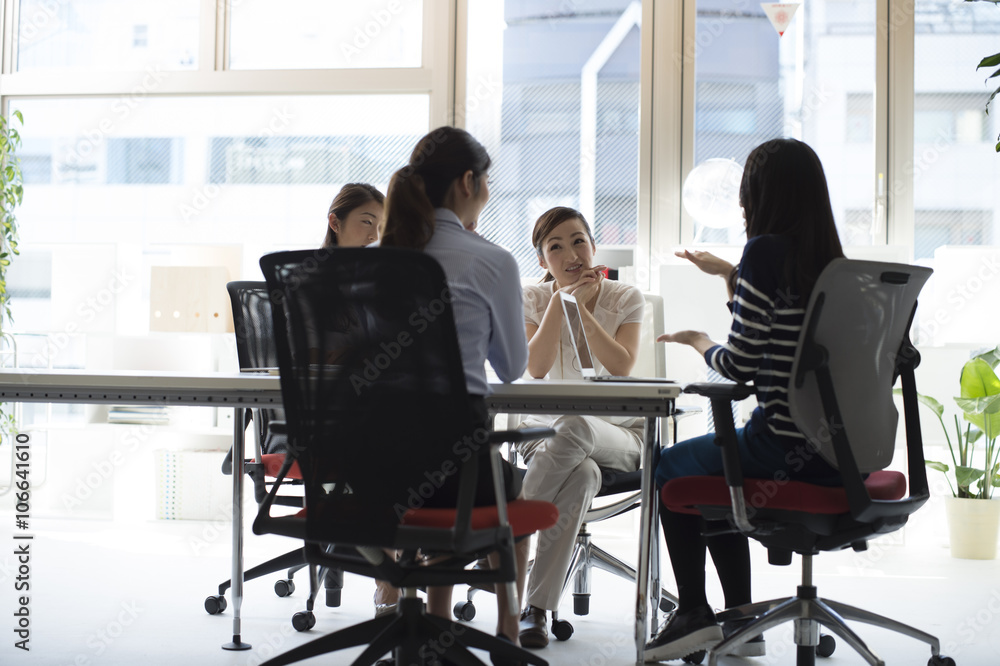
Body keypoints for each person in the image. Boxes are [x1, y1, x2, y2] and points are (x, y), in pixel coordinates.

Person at [644, 138, 845, 663]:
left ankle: (693, 611)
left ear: (762, 196)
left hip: (781, 443)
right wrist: (730, 277)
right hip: (842, 453)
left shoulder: (766, 251)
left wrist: (698, 342)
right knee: (712, 469)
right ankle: (743, 621)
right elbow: (778, 336)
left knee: (669, 465)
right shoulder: (834, 265)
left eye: (745, 192)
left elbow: (740, 366)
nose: (739, 204)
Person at [380, 125, 532, 654]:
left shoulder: (373, 262)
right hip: (452, 476)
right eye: (487, 182)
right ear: (468, 182)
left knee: (453, 474)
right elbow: (512, 367)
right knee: (495, 482)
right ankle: (507, 622)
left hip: (369, 477)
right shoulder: (490, 260)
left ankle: (433, 622)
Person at [515, 206, 645, 648]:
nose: (571, 254)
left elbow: (621, 366)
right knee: (582, 475)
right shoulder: (532, 297)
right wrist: (558, 301)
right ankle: (537, 610)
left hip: (619, 435)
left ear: (593, 246)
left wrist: (580, 309)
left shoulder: (625, 297)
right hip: (547, 438)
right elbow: (536, 366)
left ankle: (503, 533)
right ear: (541, 259)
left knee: (576, 425)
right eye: (556, 246)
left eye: (578, 241)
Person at [322, 182, 384, 248]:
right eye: (367, 222)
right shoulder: (313, 258)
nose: (376, 237)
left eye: (383, 226)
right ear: (335, 223)